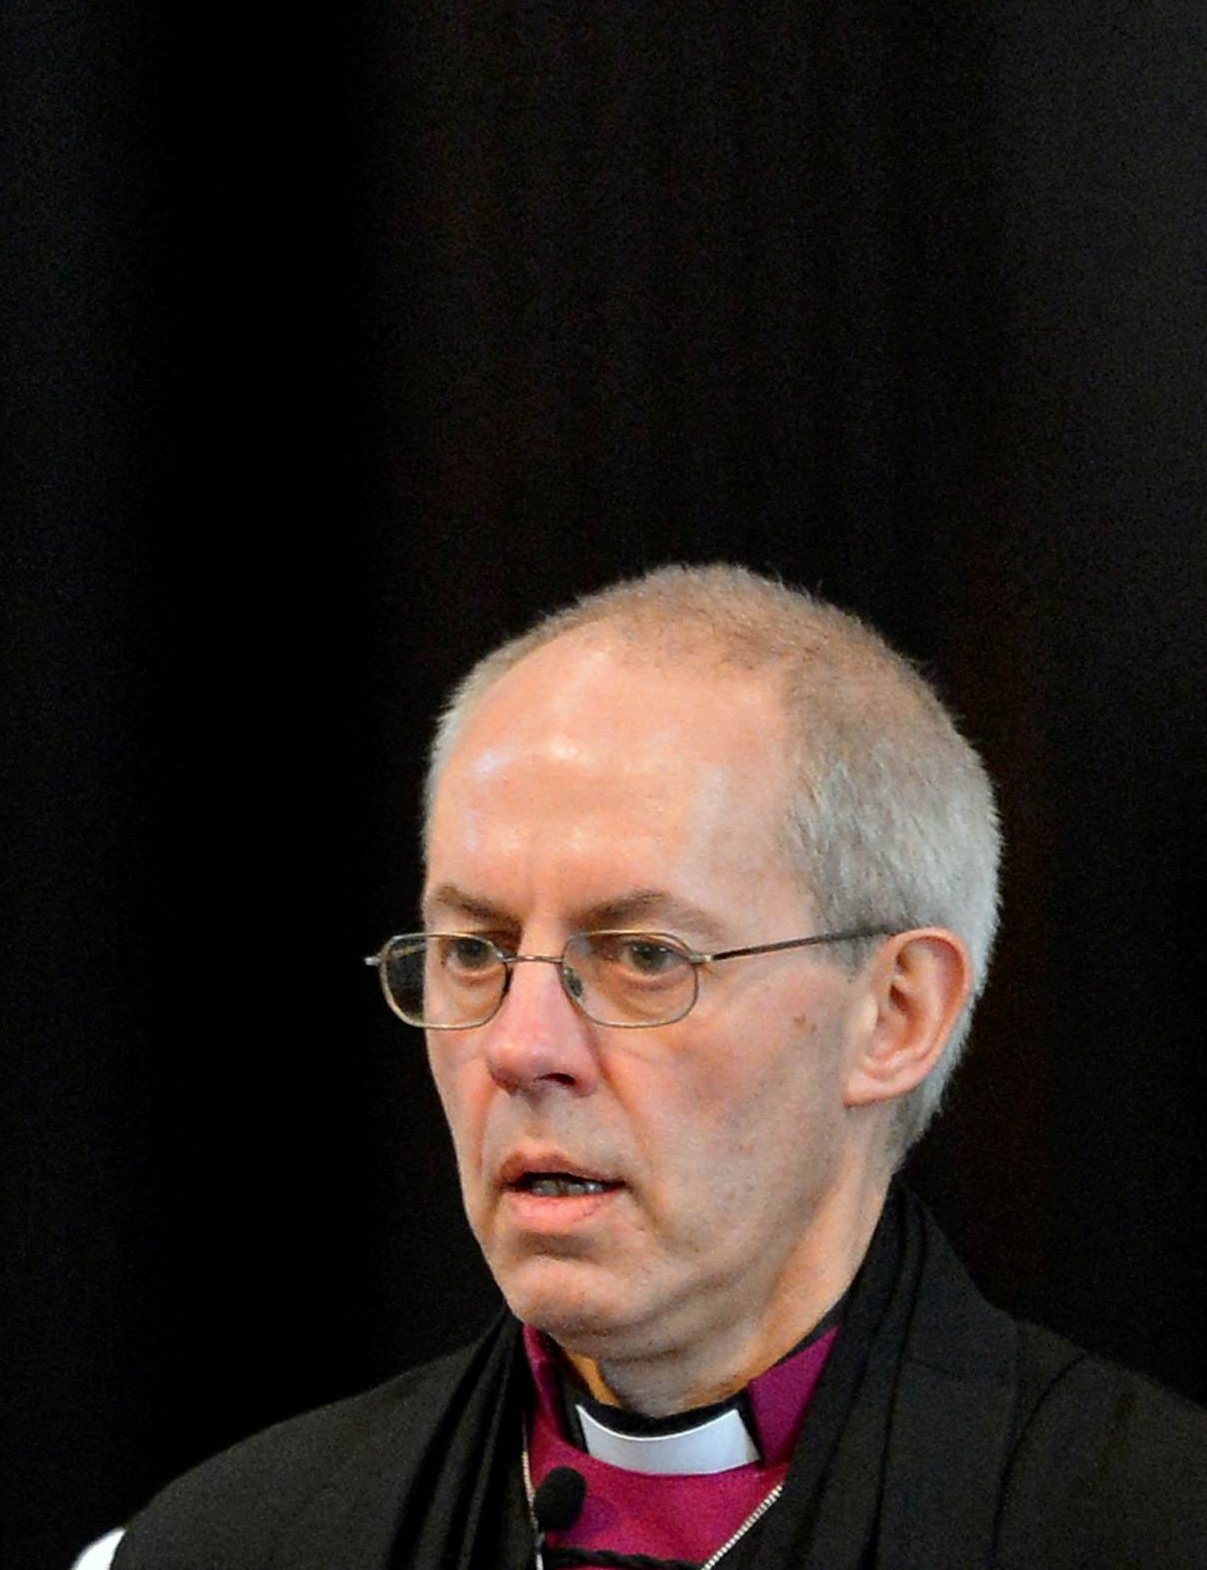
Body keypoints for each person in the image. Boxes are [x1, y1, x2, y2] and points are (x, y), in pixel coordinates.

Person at [82, 565, 1207, 1569]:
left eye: (640, 958)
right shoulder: (235, 1541)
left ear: (894, 1015)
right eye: (473, 952)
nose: (522, 1048)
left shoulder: (1145, 1524)